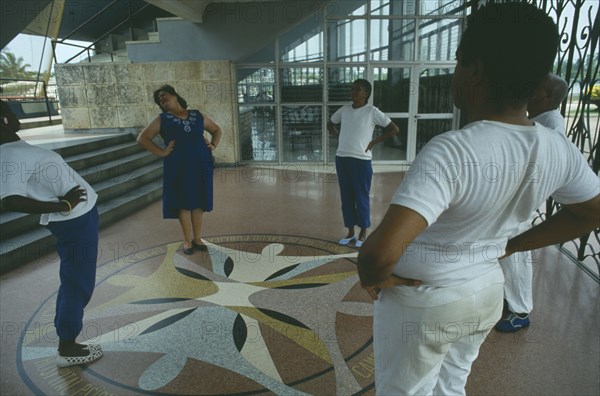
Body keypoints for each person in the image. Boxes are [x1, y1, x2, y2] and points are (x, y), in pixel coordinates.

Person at [356, 3, 600, 395]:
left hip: (425, 302)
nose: (454, 73)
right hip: (485, 291)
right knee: (452, 386)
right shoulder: (558, 147)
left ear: (477, 70)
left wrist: (374, 277)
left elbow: (377, 254)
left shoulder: (453, 150)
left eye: (458, 61)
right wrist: (512, 245)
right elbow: (591, 212)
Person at [0, 100, 103, 367]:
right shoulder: (8, 156)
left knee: (74, 279)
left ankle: (65, 335)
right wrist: (62, 205)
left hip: (80, 217)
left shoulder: (13, 148)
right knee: (78, 283)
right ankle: (68, 346)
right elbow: (10, 200)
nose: (15, 114)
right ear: (3, 121)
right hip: (74, 221)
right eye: (10, 112)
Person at [496, 73, 569, 333]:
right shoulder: (537, 118)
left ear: (548, 96)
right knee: (506, 255)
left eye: (537, 88)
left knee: (515, 257)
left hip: (520, 202)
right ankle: (509, 300)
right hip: (512, 199)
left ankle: (521, 311)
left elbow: (546, 161)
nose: (531, 91)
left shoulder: (551, 121)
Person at [137, 85, 221, 255]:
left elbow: (216, 130)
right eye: (159, 100)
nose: (162, 100)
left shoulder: (196, 115)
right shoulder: (163, 119)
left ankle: (197, 238)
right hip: (177, 165)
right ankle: (187, 240)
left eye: (163, 95)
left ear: (174, 95)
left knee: (198, 201)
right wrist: (162, 152)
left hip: (201, 163)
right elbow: (142, 138)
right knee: (184, 202)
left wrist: (213, 145)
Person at [327, 79, 400, 248]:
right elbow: (331, 123)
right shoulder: (344, 110)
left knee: (361, 197)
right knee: (346, 197)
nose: (353, 92)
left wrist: (373, 143)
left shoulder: (372, 111)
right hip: (342, 158)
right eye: (352, 88)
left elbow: (394, 129)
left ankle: (363, 232)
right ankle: (350, 232)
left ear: (366, 93)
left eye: (357, 89)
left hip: (361, 161)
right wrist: (338, 137)